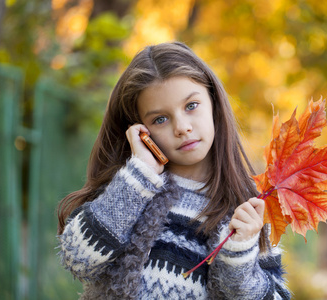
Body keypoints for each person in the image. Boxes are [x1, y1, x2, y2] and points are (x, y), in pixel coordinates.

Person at [57, 42, 291, 299]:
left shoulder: (249, 206)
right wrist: (140, 174)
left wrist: (239, 257)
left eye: (191, 106)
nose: (182, 127)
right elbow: (78, 259)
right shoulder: (130, 188)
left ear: (213, 102)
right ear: (141, 130)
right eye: (160, 119)